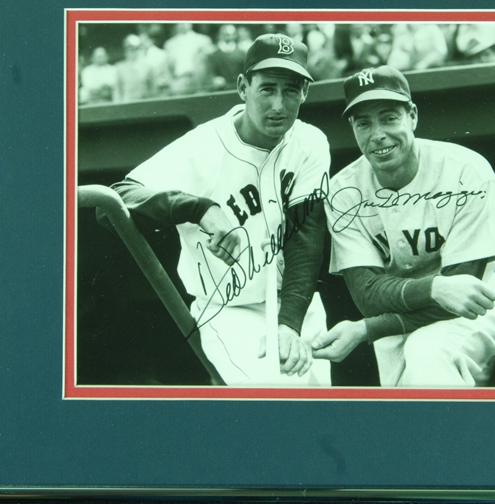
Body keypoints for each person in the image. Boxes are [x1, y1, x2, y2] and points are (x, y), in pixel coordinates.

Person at [107, 34, 331, 386]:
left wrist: (289, 324)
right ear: (242, 87)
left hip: (296, 304)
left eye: (291, 90)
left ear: (305, 93)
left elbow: (306, 235)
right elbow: (122, 194)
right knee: (273, 398)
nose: (279, 104)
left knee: (317, 412)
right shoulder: (203, 146)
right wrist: (198, 209)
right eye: (267, 88)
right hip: (229, 310)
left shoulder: (310, 142)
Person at [313, 66, 495, 387]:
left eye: (389, 117)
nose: (377, 133)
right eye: (363, 123)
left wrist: (366, 329)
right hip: (391, 324)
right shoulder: (343, 190)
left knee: (427, 357)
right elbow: (367, 295)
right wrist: (434, 287)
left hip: (475, 311)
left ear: (413, 116)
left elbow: (463, 295)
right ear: (352, 127)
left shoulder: (467, 171)